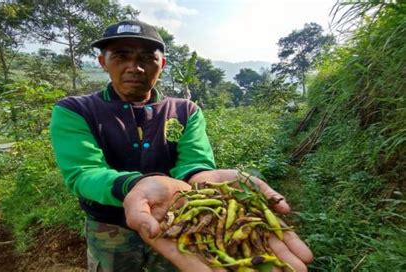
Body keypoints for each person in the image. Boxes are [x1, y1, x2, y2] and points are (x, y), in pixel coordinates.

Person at [50, 20, 313, 272]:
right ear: (103, 62)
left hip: (175, 222)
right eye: (120, 56)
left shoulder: (185, 110)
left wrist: (199, 178)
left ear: (161, 64)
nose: (135, 67)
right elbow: (84, 172)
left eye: (146, 58)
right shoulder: (75, 110)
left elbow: (194, 161)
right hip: (109, 228)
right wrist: (135, 186)